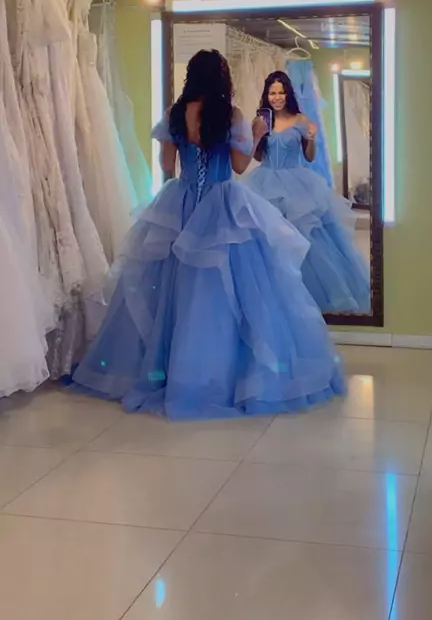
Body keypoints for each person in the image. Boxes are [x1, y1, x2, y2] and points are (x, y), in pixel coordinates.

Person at [71, 50, 344, 419]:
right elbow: (239, 166)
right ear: (221, 78)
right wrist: (257, 134)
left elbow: (167, 167)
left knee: (174, 288)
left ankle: (170, 370)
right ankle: (219, 372)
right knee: (226, 289)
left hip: (181, 205)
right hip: (221, 205)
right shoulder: (230, 115)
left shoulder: (175, 113)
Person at [245, 71, 371, 314]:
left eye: (281, 92)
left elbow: (309, 157)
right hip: (265, 182)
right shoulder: (261, 121)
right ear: (266, 95)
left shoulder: (300, 120)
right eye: (272, 93)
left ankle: (315, 296)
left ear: (288, 94)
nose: (277, 97)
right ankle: (277, 296)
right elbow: (258, 156)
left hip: (297, 183)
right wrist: (257, 136)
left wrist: (311, 138)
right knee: (268, 239)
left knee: (309, 239)